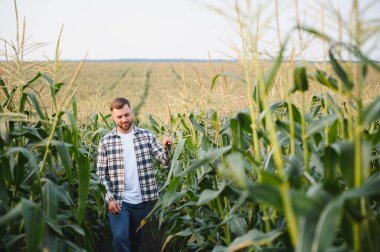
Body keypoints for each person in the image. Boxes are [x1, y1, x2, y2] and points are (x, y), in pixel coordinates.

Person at [96, 97, 173, 252]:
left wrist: (168, 147)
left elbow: (164, 160)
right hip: (119, 201)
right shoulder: (106, 141)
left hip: (141, 200)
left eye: (127, 115)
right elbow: (101, 174)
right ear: (113, 117)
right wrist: (110, 199)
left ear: (131, 113)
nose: (124, 119)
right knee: (119, 237)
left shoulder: (147, 136)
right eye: (119, 116)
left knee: (135, 239)